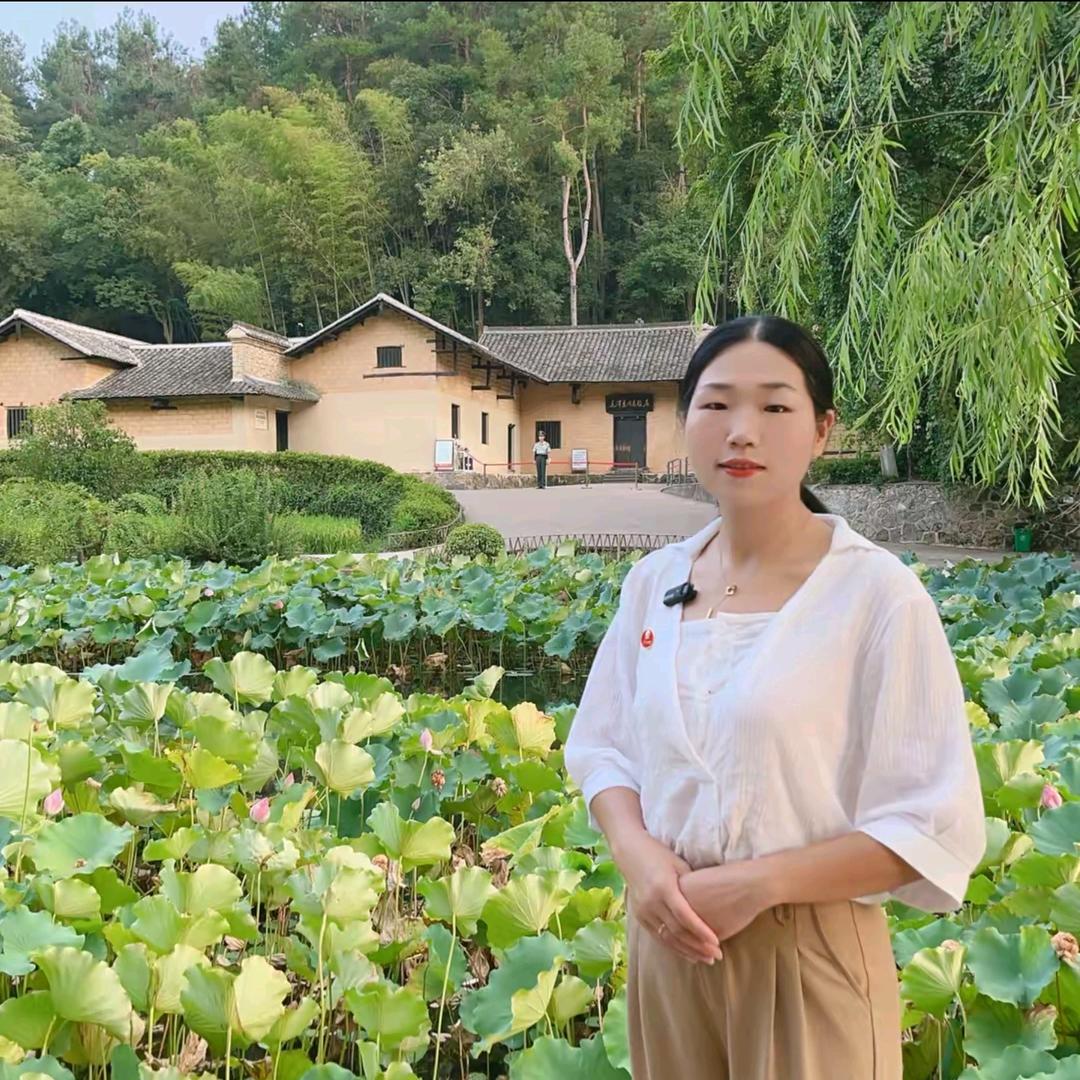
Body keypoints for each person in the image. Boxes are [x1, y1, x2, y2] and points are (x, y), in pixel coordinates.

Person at [564, 315, 985, 1080]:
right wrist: (639, 859)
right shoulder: (653, 583)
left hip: (807, 948)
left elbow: (930, 822)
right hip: (665, 937)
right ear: (686, 420)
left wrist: (760, 884)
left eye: (776, 407)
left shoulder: (877, 597)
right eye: (717, 405)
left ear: (823, 429)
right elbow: (603, 749)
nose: (741, 432)